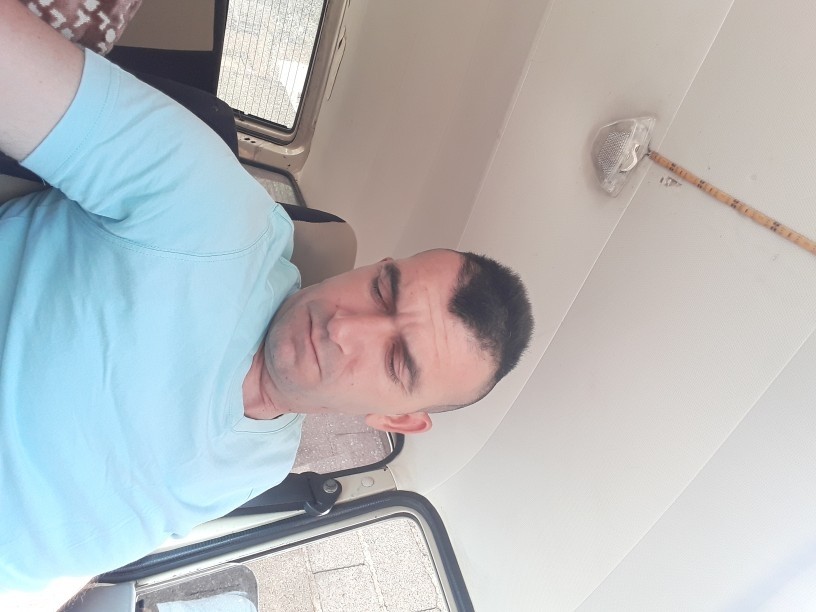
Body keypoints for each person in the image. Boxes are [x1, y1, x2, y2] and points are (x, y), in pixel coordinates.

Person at [0, 0, 534, 601]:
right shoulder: (208, 206)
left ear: (397, 420)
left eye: (396, 360)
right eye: (383, 291)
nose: (345, 329)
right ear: (379, 266)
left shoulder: (266, 464)